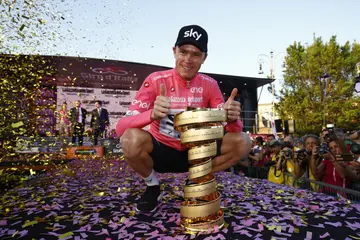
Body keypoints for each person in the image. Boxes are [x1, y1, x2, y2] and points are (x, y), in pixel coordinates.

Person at [116, 24, 252, 212]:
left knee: (243, 141)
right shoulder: (156, 80)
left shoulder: (210, 85)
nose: (188, 60)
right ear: (174, 51)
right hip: (161, 152)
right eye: (183, 52)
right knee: (130, 139)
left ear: (204, 58)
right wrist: (152, 114)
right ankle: (153, 186)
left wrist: (232, 119)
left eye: (196, 54)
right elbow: (121, 128)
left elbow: (233, 132)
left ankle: (196, 178)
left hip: (196, 154)